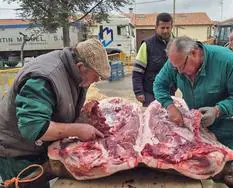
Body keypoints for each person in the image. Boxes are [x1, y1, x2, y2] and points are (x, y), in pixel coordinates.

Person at [0, 39, 110, 187]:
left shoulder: (73, 72)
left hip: (37, 148)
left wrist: (83, 114)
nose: (97, 80)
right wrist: (78, 130)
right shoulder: (44, 78)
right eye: (96, 76)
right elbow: (32, 127)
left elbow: (58, 104)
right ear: (81, 67)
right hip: (17, 152)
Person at [153, 36, 233, 188]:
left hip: (225, 125)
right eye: (175, 68)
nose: (178, 71)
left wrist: (219, 110)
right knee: (199, 170)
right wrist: (170, 106)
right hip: (197, 126)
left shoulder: (226, 61)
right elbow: (159, 84)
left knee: (221, 170)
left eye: (181, 66)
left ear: (193, 53)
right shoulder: (176, 61)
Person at [132, 12, 175, 107]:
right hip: (150, 94)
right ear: (156, 27)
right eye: (162, 28)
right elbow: (137, 71)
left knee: (168, 120)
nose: (165, 31)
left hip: (169, 93)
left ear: (172, 27)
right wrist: (138, 91)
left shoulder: (176, 45)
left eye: (168, 28)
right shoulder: (147, 45)